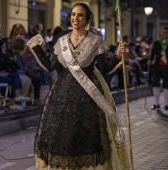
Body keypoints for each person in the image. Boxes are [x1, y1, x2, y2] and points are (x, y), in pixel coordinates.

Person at [27, 3, 129, 170]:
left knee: (88, 137)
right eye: (73, 14)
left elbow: (105, 68)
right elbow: (50, 65)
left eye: (80, 15)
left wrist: (118, 56)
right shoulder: (61, 42)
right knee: (64, 137)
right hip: (63, 95)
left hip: (88, 98)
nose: (75, 18)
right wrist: (36, 48)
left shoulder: (96, 41)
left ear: (86, 18)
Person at [150, 27, 168, 111]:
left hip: (166, 67)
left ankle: (167, 104)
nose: (164, 34)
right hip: (157, 66)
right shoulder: (157, 43)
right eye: (163, 32)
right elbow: (152, 54)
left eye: (166, 32)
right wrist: (149, 60)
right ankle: (157, 104)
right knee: (155, 84)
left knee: (166, 86)